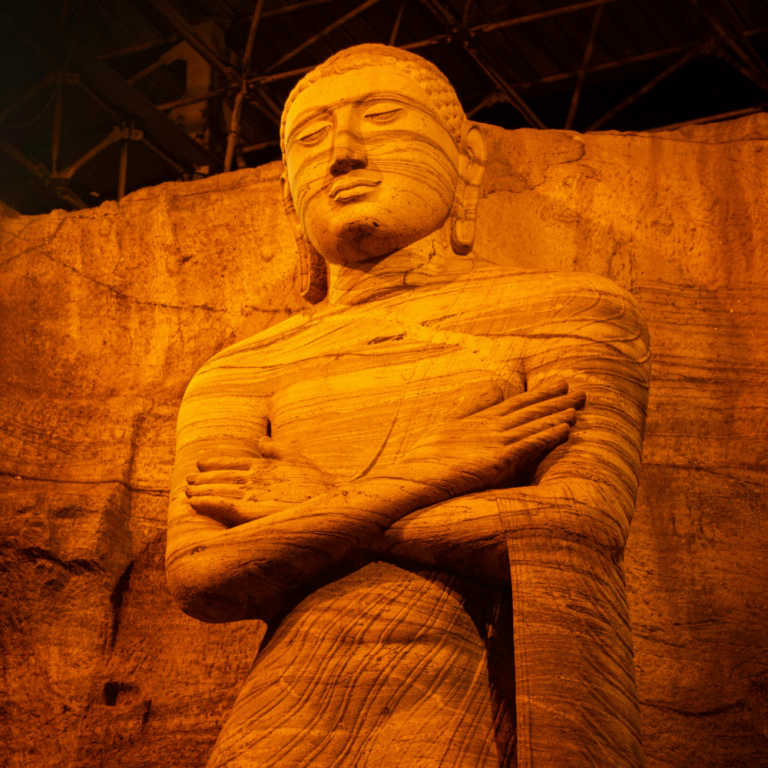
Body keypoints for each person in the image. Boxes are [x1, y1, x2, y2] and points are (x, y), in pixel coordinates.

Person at [166, 44, 650, 768]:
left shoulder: (567, 310)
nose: (344, 154)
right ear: (288, 195)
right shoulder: (242, 368)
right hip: (284, 710)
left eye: (383, 118)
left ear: (468, 163)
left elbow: (580, 520)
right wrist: (444, 470)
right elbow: (202, 574)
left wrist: (320, 506)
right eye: (310, 139)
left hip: (475, 689)